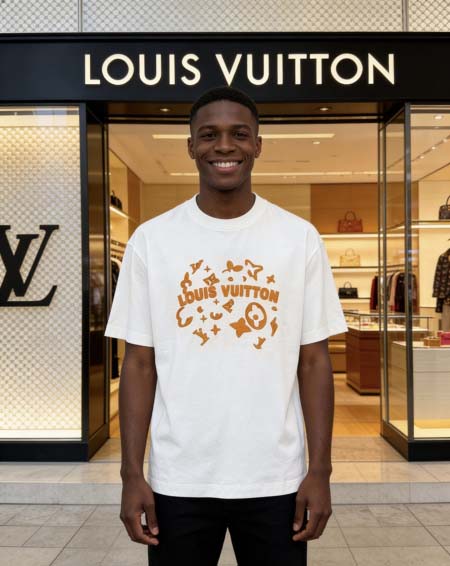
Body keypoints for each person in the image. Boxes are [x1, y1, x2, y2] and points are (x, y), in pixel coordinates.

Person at [105, 86, 348, 566]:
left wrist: (320, 471)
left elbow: (314, 362)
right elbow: (138, 364)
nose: (224, 146)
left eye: (239, 134)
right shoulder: (151, 241)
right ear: (190, 146)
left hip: (277, 477)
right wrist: (131, 475)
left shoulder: (298, 238)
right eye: (208, 134)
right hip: (179, 478)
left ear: (257, 144)